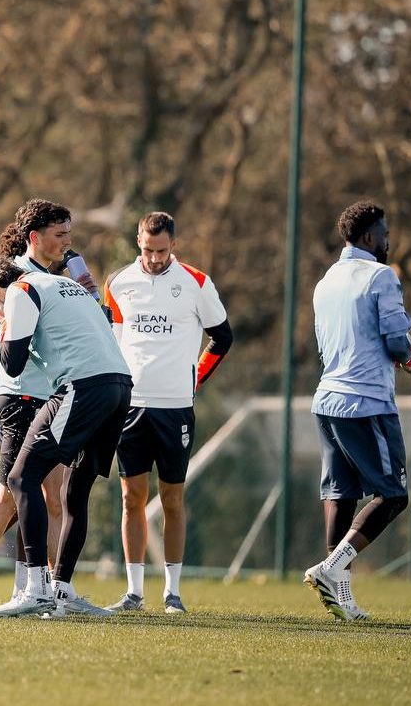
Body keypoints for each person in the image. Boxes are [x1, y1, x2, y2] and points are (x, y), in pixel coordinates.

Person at [0, 200, 94, 612]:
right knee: (12, 495)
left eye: (69, 234)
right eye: (59, 235)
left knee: (51, 498)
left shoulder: (53, 279)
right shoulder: (15, 277)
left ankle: (43, 589)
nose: (67, 243)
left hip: (50, 397)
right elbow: (10, 338)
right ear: (35, 237)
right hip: (19, 397)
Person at [0, 256, 130, 618]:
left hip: (82, 386)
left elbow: (12, 364)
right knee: (76, 491)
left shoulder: (19, 290)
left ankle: (37, 589)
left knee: (21, 479)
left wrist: (3, 318)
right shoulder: (64, 284)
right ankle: (62, 591)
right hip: (120, 385)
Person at [302, 201, 411, 621]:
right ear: (370, 237)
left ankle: (342, 597)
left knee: (340, 495)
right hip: (366, 402)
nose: (388, 241)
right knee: (394, 495)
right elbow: (394, 341)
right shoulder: (381, 276)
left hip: (327, 401)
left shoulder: (325, 281)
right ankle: (330, 568)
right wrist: (410, 356)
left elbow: (329, 346)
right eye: (385, 234)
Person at [102, 212, 233, 614]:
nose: (155, 258)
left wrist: (194, 380)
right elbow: (110, 342)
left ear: (173, 245)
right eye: (148, 250)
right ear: (138, 242)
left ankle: (172, 592)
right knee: (131, 498)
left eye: (161, 250)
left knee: (172, 498)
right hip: (131, 407)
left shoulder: (196, 282)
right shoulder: (118, 283)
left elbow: (222, 337)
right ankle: (134, 593)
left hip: (175, 409)